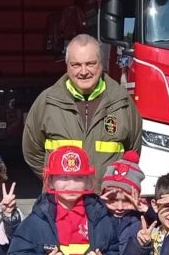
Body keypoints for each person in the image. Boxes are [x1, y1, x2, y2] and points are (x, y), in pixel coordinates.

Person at [22, 34, 142, 187]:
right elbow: (32, 153)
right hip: (62, 203)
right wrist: (58, 184)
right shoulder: (47, 102)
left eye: (90, 63)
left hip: (106, 203)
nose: (83, 71)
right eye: (76, 65)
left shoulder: (122, 102)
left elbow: (132, 152)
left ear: (101, 64)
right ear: (67, 66)